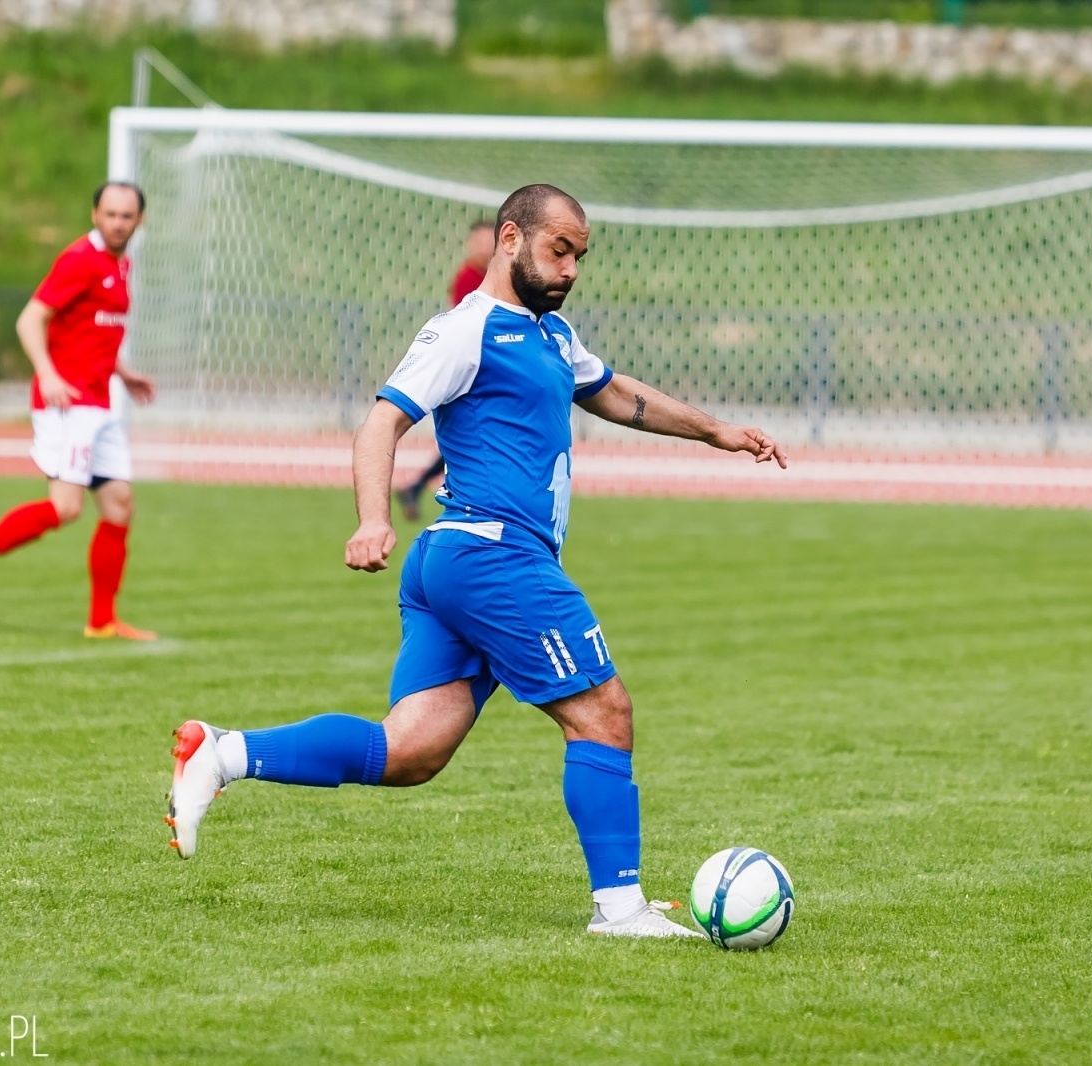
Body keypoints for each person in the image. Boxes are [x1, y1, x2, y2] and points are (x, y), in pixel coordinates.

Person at [166, 185, 786, 939]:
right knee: (604, 712)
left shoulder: (553, 336)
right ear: (511, 239)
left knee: (411, 750)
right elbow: (380, 425)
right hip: (493, 555)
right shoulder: (465, 331)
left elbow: (617, 393)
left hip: (460, 564)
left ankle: (221, 755)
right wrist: (371, 518)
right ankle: (619, 910)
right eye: (560, 250)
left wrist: (716, 430)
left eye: (580, 257)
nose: (571, 270)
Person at [0, 182, 159, 640]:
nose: (117, 222)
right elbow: (30, 318)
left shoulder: (121, 263)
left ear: (140, 221)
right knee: (66, 507)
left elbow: (91, 331)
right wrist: (48, 374)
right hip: (68, 403)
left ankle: (102, 621)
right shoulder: (80, 259)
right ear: (94, 213)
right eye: (110, 213)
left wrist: (124, 372)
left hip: (101, 401)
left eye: (126, 216)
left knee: (119, 505)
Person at [394, 218, 495, 521]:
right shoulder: (469, 278)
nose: (482, 247)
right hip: (471, 368)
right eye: (477, 241)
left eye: (487, 241)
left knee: (472, 436)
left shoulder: (495, 277)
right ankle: (436, 490)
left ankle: (416, 487)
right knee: (469, 434)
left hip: (482, 365)